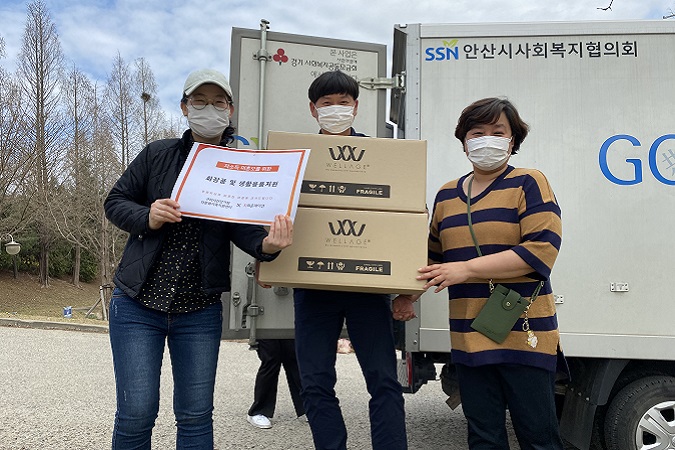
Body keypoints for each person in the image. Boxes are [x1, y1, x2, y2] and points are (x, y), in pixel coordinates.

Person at [104, 68, 294, 450]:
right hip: (138, 304)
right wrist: (147, 215)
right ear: (184, 107)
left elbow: (243, 229)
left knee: (195, 416)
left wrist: (269, 246)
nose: (210, 109)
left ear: (230, 110)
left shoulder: (239, 167)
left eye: (218, 102)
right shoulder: (157, 154)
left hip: (199, 311)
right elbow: (115, 201)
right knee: (136, 412)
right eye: (200, 101)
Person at [396, 97, 566, 449]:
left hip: (524, 333)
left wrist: (466, 269)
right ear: (464, 141)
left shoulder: (529, 182)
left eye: (498, 132)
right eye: (477, 132)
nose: (487, 139)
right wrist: (406, 296)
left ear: (513, 140)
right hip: (469, 336)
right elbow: (432, 258)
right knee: (483, 438)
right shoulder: (447, 195)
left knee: (539, 438)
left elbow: (541, 250)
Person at [293, 70, 408, 450]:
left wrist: (408, 288)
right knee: (315, 383)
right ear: (313, 109)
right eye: (327, 103)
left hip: (367, 289)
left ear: (355, 107)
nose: (335, 109)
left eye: (343, 103)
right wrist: (267, 258)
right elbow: (274, 212)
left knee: (384, 381)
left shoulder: (381, 157)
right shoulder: (296, 157)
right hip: (313, 288)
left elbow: (404, 218)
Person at [246, 338, 306, 429]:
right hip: (265, 329)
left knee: (293, 356)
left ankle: (307, 408)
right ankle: (259, 410)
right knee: (271, 358)